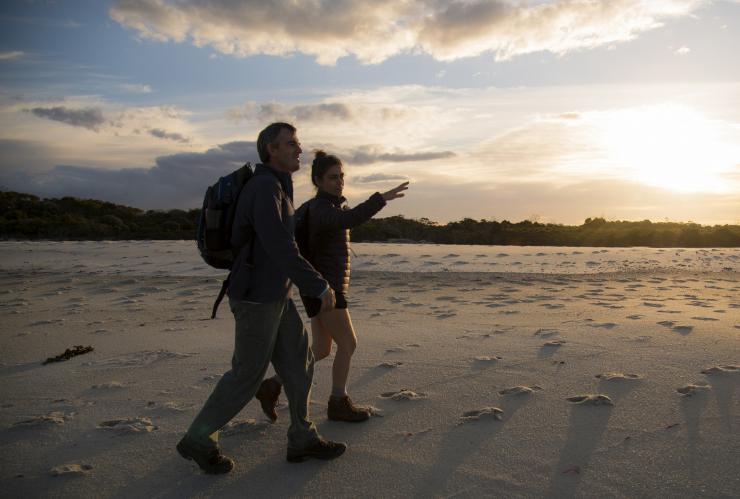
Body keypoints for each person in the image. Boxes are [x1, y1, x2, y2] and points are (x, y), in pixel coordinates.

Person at [177, 123, 346, 474]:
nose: (299, 149)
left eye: (298, 142)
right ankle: (198, 438)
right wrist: (318, 285)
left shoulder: (279, 187)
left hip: (276, 296)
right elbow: (281, 247)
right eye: (292, 143)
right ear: (272, 149)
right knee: (247, 375)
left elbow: (286, 247)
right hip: (256, 298)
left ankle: (302, 437)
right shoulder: (265, 187)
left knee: (300, 363)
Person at [258, 150, 408, 422]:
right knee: (348, 344)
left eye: (341, 176)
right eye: (332, 178)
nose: (339, 182)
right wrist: (380, 199)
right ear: (318, 180)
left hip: (317, 288)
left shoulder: (322, 208)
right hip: (325, 288)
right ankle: (338, 401)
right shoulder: (321, 209)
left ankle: (272, 385)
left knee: (322, 349)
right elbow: (347, 221)